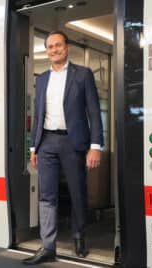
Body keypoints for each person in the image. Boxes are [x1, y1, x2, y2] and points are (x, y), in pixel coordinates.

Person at [23, 31, 103, 265]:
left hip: (73, 142)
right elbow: (37, 116)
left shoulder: (83, 75)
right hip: (46, 142)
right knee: (46, 195)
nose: (54, 50)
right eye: (50, 47)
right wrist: (33, 147)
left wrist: (95, 146)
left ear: (67, 48)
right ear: (47, 51)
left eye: (58, 45)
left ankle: (79, 237)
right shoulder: (42, 79)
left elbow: (94, 113)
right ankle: (48, 246)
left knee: (78, 192)